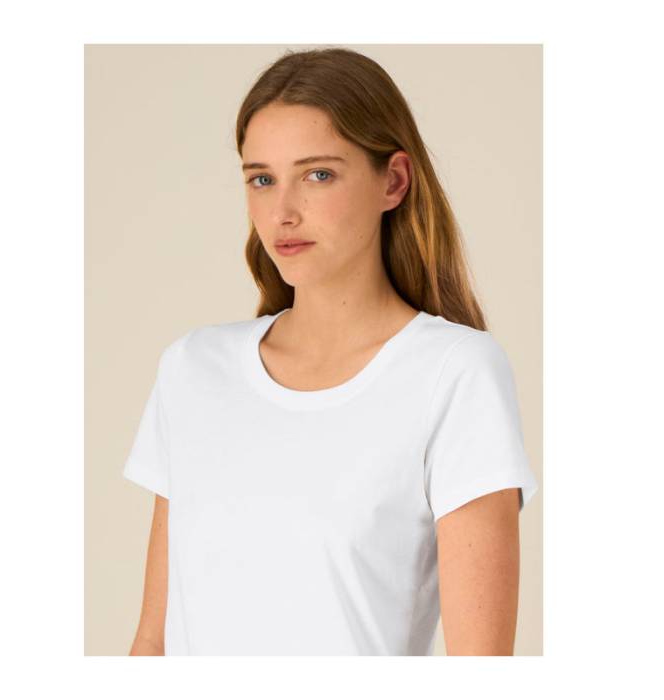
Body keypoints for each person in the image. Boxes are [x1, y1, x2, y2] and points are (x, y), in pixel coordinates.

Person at [123, 47, 539, 656]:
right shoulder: (192, 369)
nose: (282, 213)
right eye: (262, 179)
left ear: (393, 181)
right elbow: (152, 642)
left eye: (317, 175)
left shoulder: (454, 373)